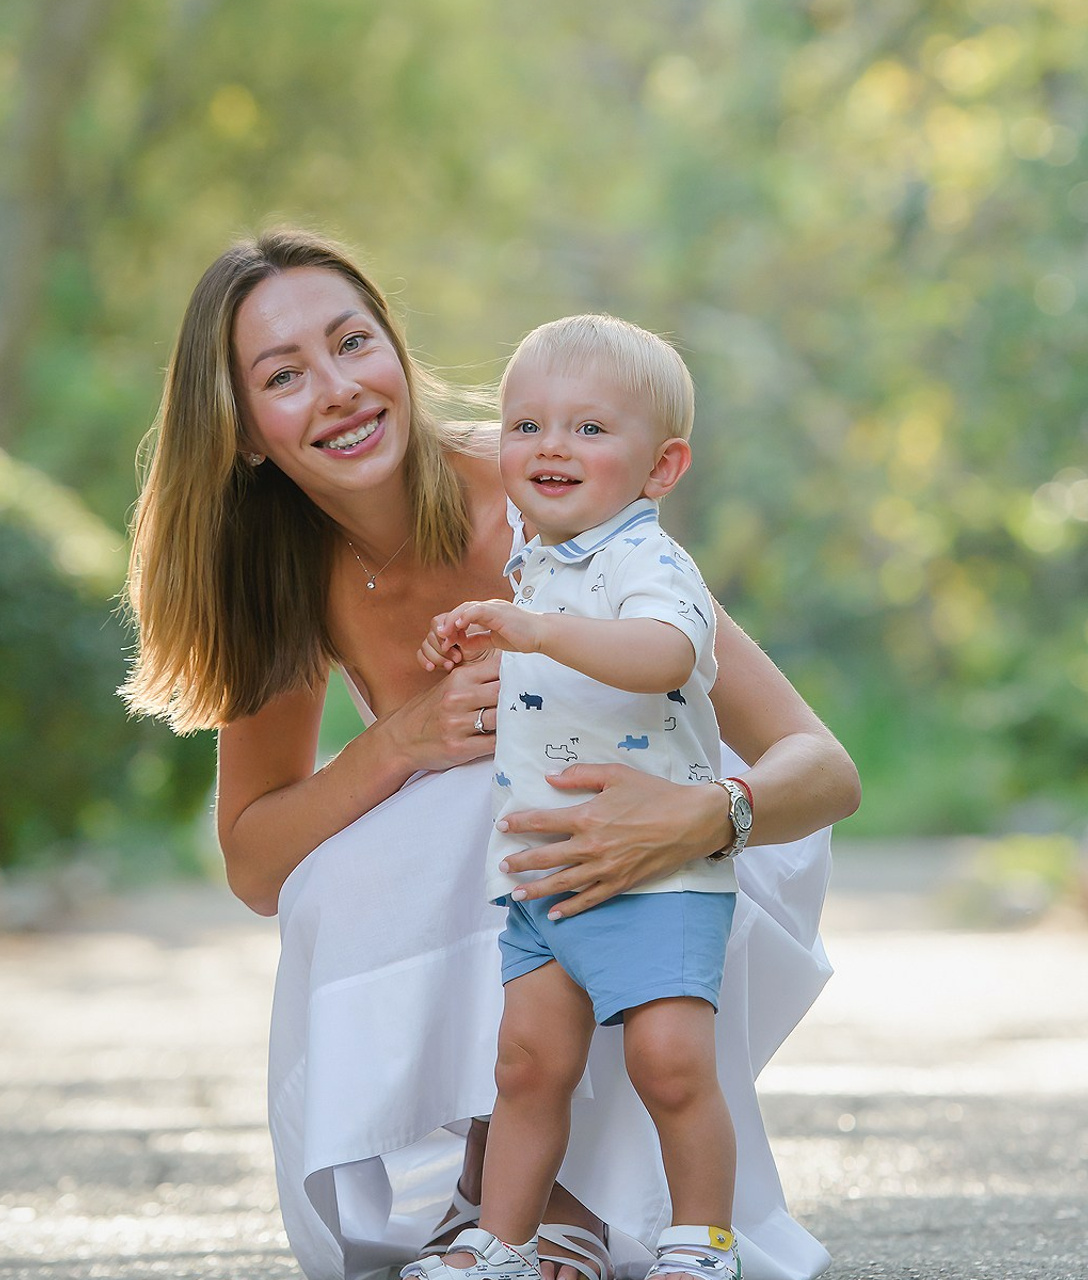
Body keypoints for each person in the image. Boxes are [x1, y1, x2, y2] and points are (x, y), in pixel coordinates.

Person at [121, 228, 860, 1280]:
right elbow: (256, 865)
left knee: (505, 792)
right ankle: (507, 1175)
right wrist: (399, 741)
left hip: (693, 836)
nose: (337, 388)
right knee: (394, 842)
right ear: (240, 431)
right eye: (283, 375)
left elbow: (821, 766)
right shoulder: (280, 571)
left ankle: (580, 1195)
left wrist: (699, 815)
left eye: (352, 342)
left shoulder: (543, 481)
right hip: (529, 876)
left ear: (396, 350)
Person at [409, 314, 747, 1280]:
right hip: (544, 874)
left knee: (670, 1063)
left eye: (591, 428)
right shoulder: (538, 563)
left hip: (656, 869)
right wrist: (476, 643)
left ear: (661, 467)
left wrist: (536, 632)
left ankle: (704, 1240)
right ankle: (503, 1243)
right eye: (527, 425)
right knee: (525, 1068)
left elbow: (665, 654)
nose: (552, 445)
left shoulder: (649, 561)